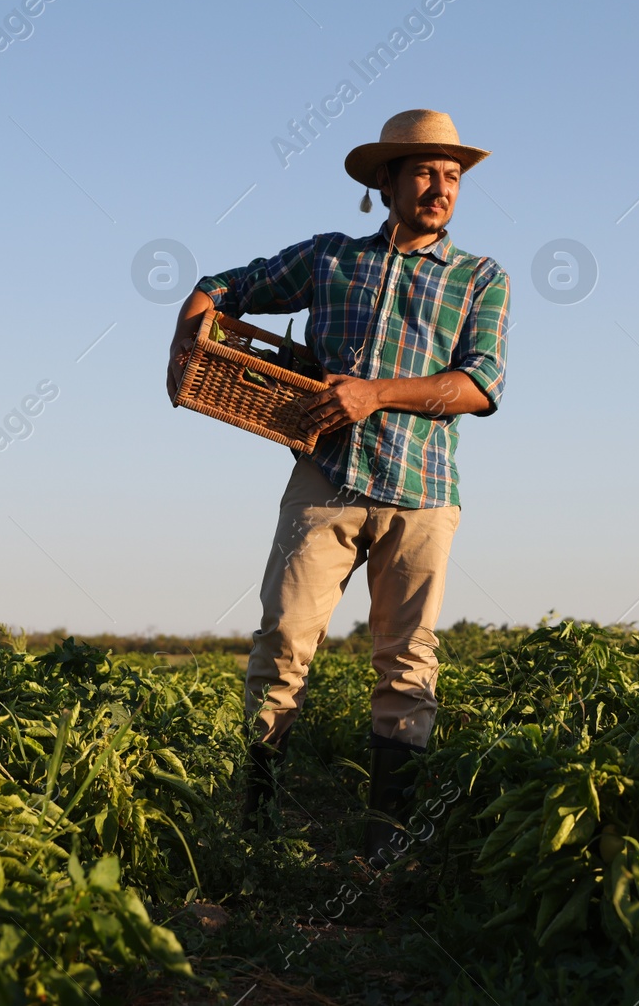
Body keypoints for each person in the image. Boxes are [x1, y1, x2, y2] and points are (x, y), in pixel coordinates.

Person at [165, 109, 510, 864]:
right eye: (424, 171)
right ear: (386, 180)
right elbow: (232, 285)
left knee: (407, 661)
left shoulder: (480, 278)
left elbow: (480, 385)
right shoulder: (330, 260)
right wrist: (196, 311)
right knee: (282, 643)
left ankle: (386, 845)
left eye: (451, 175)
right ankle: (253, 826)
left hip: (423, 490)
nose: (440, 187)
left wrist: (375, 392)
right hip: (326, 479)